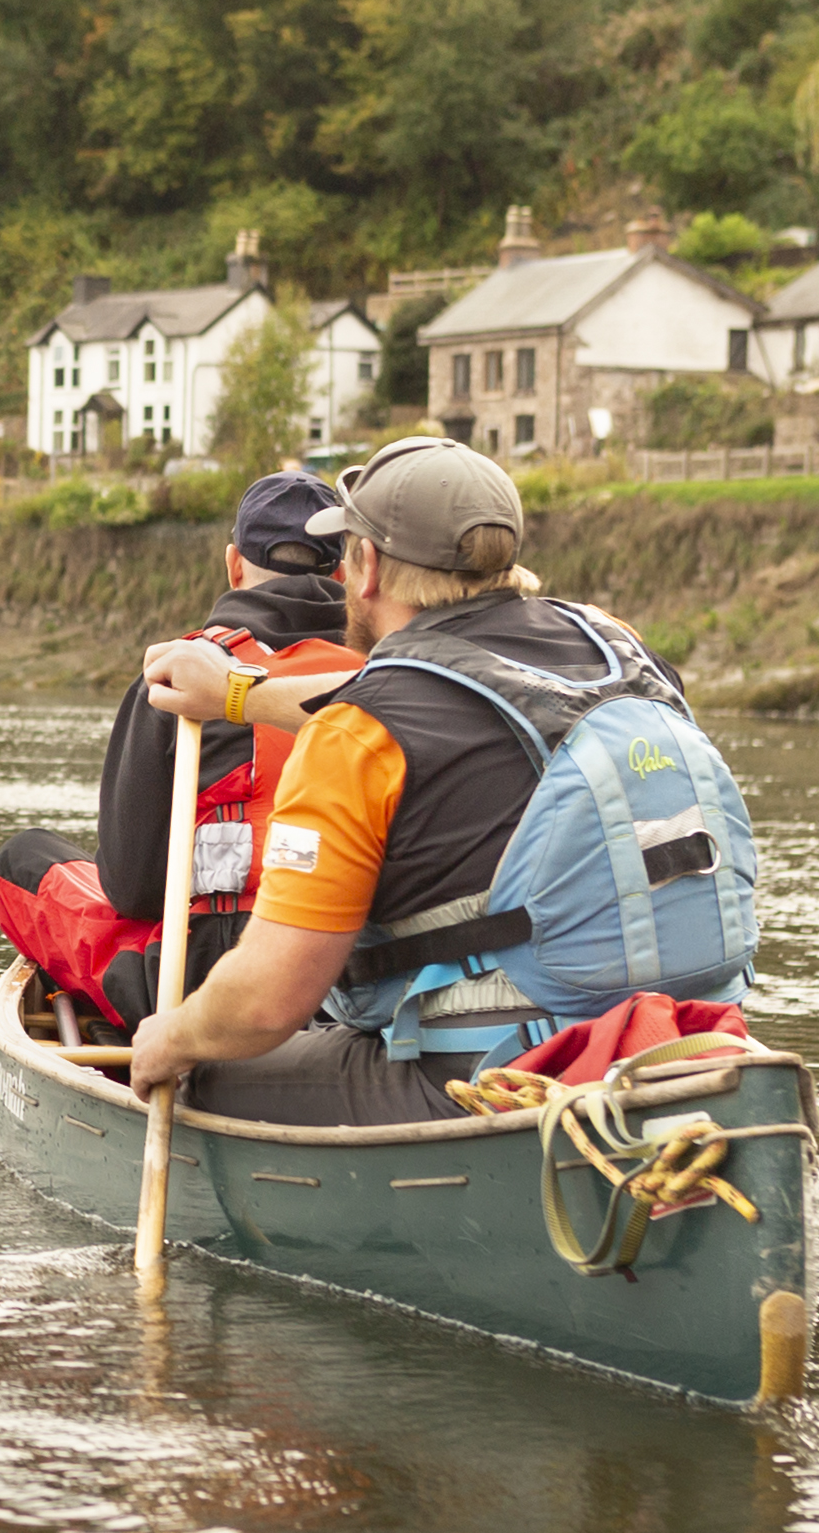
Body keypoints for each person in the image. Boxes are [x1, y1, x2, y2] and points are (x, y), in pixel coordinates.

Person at [127, 438, 702, 1123]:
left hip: (481, 1080)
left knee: (211, 1072)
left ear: (364, 566)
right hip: (671, 1042)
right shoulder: (622, 649)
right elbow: (452, 678)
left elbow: (265, 1004)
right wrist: (236, 695)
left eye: (346, 552)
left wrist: (175, 1036)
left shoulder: (358, 735)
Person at [0, 470, 364, 1032]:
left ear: (234, 564)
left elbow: (131, 890)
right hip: (354, 973)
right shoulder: (390, 679)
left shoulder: (179, 675)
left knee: (19, 861)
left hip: (201, 978)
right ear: (345, 573)